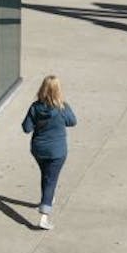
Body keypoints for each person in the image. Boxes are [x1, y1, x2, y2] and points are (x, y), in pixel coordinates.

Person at [22, 75, 77, 230]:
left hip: (38, 150)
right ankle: (44, 216)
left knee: (46, 176)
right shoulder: (62, 108)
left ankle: (47, 198)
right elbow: (73, 121)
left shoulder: (35, 107)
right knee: (51, 180)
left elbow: (26, 128)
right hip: (57, 152)